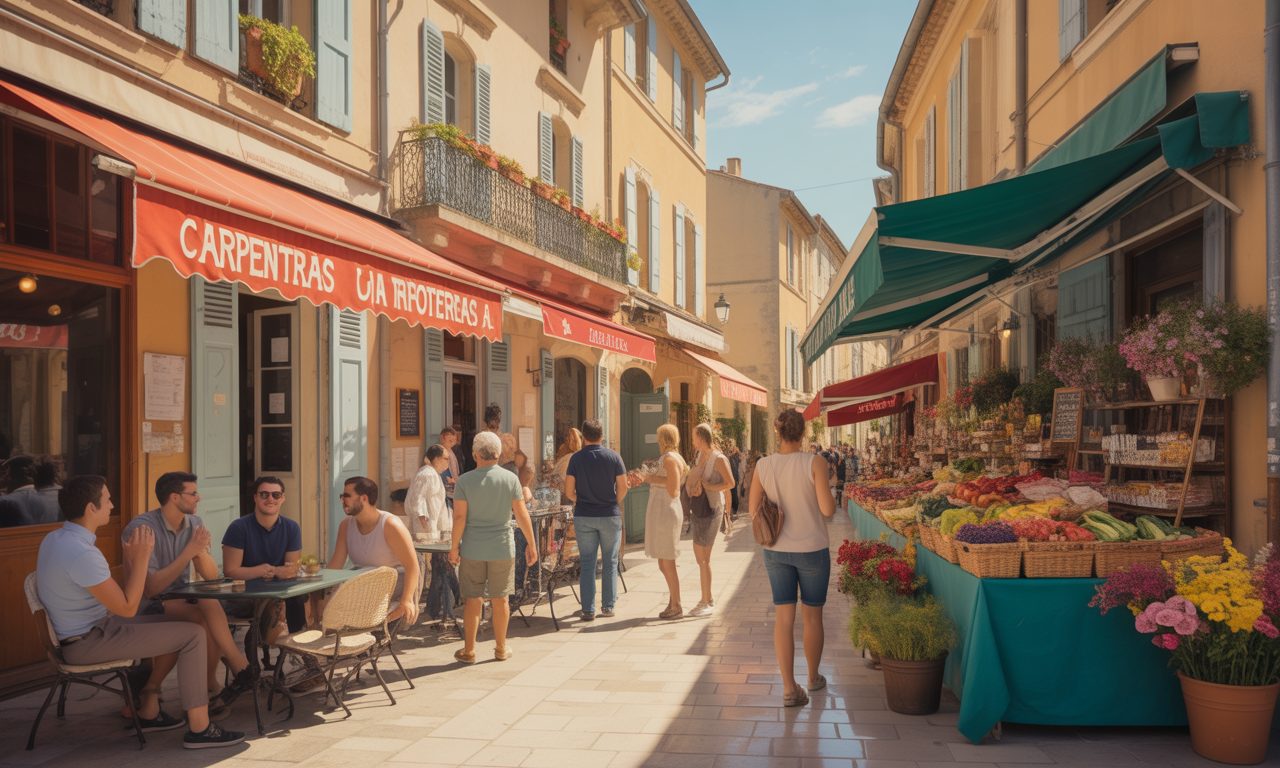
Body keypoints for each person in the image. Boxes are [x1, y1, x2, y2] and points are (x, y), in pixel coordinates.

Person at [36, 475, 244, 748]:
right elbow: (129, 606)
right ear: (90, 508)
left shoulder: (55, 538)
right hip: (88, 640)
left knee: (178, 623)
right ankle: (200, 728)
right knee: (192, 635)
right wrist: (142, 557)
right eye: (108, 500)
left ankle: (149, 708)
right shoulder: (81, 552)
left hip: (93, 630)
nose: (112, 505)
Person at [121, 472, 253, 711]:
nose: (198, 498)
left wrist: (200, 552)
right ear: (174, 497)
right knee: (202, 617)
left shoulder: (194, 523)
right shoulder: (143, 529)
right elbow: (151, 588)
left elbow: (211, 576)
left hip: (178, 599)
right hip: (143, 604)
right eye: (192, 493)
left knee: (208, 603)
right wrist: (189, 550)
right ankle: (229, 674)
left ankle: (215, 681)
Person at [749, 410, 837, 708]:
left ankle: (789, 688)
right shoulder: (815, 462)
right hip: (812, 548)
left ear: (778, 433)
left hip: (777, 550)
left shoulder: (763, 465)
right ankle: (812, 678)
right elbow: (827, 511)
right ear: (803, 433)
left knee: (784, 619)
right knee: (812, 616)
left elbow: (753, 512)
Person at [448, 431, 538, 663]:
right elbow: (521, 514)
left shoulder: (465, 481)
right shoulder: (510, 480)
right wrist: (531, 543)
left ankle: (469, 650)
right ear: (498, 454)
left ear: (475, 454)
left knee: (473, 600)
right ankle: (500, 648)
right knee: (501, 599)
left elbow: (459, 518)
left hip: (473, 548)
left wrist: (454, 547)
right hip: (501, 547)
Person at [221, 477, 304, 646]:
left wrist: (275, 571)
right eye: (264, 494)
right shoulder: (238, 527)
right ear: (255, 497)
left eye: (275, 495)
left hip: (278, 594)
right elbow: (231, 570)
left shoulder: (292, 527)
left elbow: (290, 569)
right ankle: (280, 645)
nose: (270, 499)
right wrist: (266, 570)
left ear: (283, 498)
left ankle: (299, 647)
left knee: (301, 597)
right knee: (277, 604)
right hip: (244, 595)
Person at [328, 477, 421, 625]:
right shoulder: (345, 526)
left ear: (364, 498)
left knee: (347, 599)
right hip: (363, 584)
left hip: (391, 584)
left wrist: (407, 600)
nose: (342, 500)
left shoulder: (390, 525)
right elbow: (335, 565)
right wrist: (318, 586)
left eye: (347, 496)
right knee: (327, 599)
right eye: (342, 496)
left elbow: (413, 566)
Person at [563, 419, 628, 621]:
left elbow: (568, 491)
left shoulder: (576, 459)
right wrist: (611, 502)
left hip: (584, 515)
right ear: (602, 435)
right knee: (610, 561)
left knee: (588, 562)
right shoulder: (613, 457)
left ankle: (588, 609)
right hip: (609, 514)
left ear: (583, 437)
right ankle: (608, 607)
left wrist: (581, 499)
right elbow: (623, 487)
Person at [632, 424, 687, 619]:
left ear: (663, 438)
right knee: (663, 563)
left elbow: (673, 489)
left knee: (668, 562)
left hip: (666, 511)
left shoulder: (671, 459)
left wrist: (649, 478)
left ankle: (677, 605)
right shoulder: (671, 458)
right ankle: (673, 602)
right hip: (663, 511)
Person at [684, 424, 735, 618]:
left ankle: (708, 600)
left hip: (712, 510)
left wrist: (709, 486)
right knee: (700, 558)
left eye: (694, 437)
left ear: (702, 438)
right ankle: (705, 598)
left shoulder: (718, 458)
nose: (692, 440)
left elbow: (730, 483)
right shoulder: (700, 456)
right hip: (699, 509)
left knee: (704, 558)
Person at [406, 445, 460, 621]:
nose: (448, 461)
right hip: (427, 533)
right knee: (429, 568)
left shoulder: (431, 474)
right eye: (446, 458)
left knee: (440, 567)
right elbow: (417, 498)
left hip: (434, 531)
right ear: (436, 458)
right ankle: (447, 602)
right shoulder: (427, 474)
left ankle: (437, 606)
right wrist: (423, 518)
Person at [0, 455, 60, 526]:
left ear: (11, 477)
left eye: (6, 474)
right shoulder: (57, 496)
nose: (3, 478)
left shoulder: (6, 502)